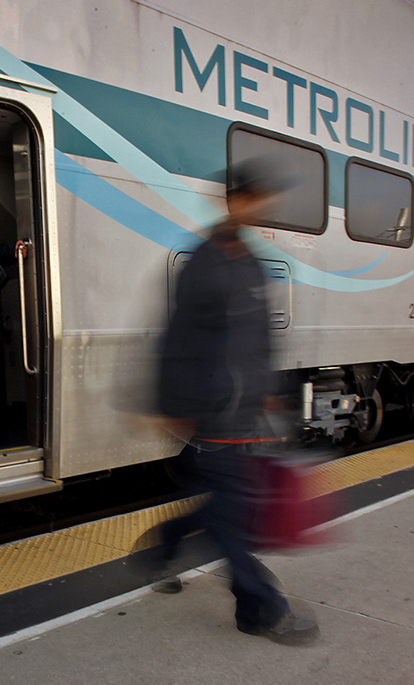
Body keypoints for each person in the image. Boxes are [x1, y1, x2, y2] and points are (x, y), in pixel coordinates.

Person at [150, 160, 319, 646]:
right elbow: (177, 337)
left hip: (247, 410)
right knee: (232, 520)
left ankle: (168, 540)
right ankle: (261, 609)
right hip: (214, 407)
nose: (263, 210)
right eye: (256, 200)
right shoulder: (204, 262)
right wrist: (171, 402)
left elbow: (260, 334)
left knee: (228, 509)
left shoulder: (248, 260)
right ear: (235, 201)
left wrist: (270, 388)